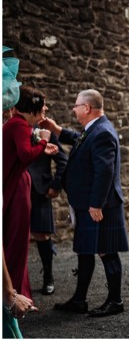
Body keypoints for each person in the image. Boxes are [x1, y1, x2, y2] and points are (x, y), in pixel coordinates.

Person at [40, 90, 128, 317]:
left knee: (107, 251)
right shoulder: (95, 130)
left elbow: (104, 172)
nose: (73, 109)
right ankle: (79, 299)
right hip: (89, 204)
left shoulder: (102, 133)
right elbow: (79, 140)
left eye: (76, 105)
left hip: (101, 206)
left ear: (87, 108)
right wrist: (57, 130)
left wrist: (96, 204)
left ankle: (115, 301)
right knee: (85, 251)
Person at [3, 87, 57, 300]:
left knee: (16, 238)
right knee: (17, 240)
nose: (44, 108)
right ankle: (15, 294)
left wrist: (40, 146)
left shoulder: (15, 124)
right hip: (17, 191)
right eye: (42, 105)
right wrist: (43, 139)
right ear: (32, 108)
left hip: (16, 185)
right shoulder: (19, 125)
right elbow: (26, 155)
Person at [28, 121, 67, 296]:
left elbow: (62, 159)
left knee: (42, 235)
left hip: (39, 189)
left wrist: (56, 185)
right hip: (14, 186)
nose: (46, 108)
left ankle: (48, 277)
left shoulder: (44, 130)